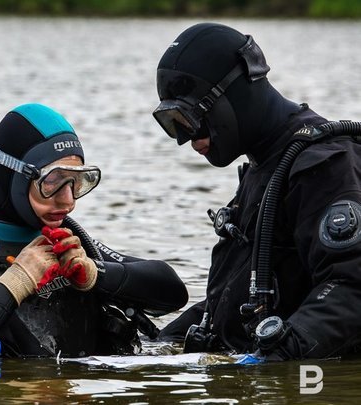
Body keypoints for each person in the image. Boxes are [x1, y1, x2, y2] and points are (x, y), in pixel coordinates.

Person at [0, 103, 188, 360]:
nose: (68, 201)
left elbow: (173, 291)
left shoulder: (73, 245)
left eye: (77, 182)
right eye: (52, 181)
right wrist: (15, 282)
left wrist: (96, 273)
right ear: (14, 178)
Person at [153, 23, 361, 361]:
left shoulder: (324, 165)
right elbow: (242, 294)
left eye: (191, 119)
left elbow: (351, 288)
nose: (187, 139)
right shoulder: (266, 168)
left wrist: (273, 357)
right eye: (173, 124)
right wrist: (160, 344)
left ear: (230, 95)